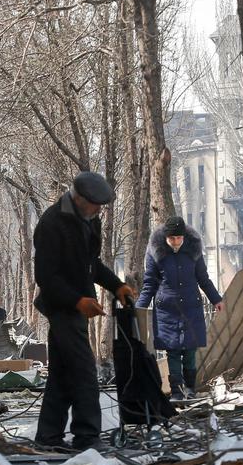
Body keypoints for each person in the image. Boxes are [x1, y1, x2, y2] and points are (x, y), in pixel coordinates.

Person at [33, 171, 135, 449]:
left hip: (78, 306)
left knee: (62, 376)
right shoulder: (52, 223)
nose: (99, 210)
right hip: (61, 307)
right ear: (79, 199)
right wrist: (77, 301)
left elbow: (91, 264)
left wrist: (117, 286)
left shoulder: (90, 220)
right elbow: (47, 277)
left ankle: (48, 437)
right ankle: (87, 436)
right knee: (84, 372)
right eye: (95, 204)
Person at [136, 216, 224, 399]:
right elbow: (150, 282)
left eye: (179, 238)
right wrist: (140, 308)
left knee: (190, 350)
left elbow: (203, 278)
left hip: (191, 306)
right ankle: (176, 391)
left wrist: (216, 299)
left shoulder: (193, 249)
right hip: (166, 309)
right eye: (172, 239)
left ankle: (190, 389)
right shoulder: (155, 251)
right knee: (173, 350)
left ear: (184, 237)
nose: (175, 242)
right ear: (166, 238)